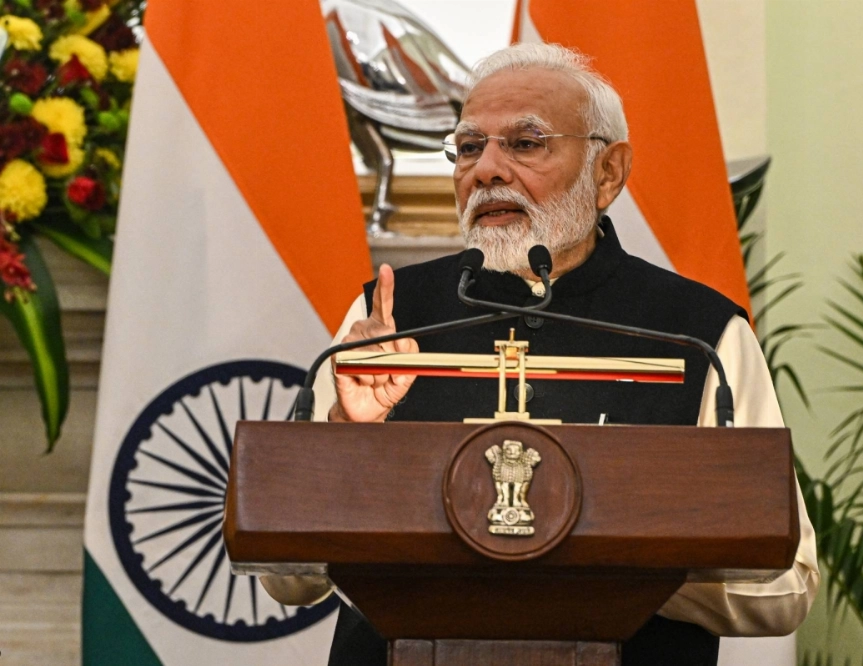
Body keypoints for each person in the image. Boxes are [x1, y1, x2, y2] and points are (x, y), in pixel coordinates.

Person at [262, 42, 819, 666]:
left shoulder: (698, 333)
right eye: (470, 147)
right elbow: (287, 578)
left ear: (607, 172)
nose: (488, 170)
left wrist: (599, 560)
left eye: (525, 144)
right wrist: (348, 438)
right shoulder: (388, 318)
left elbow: (783, 585)